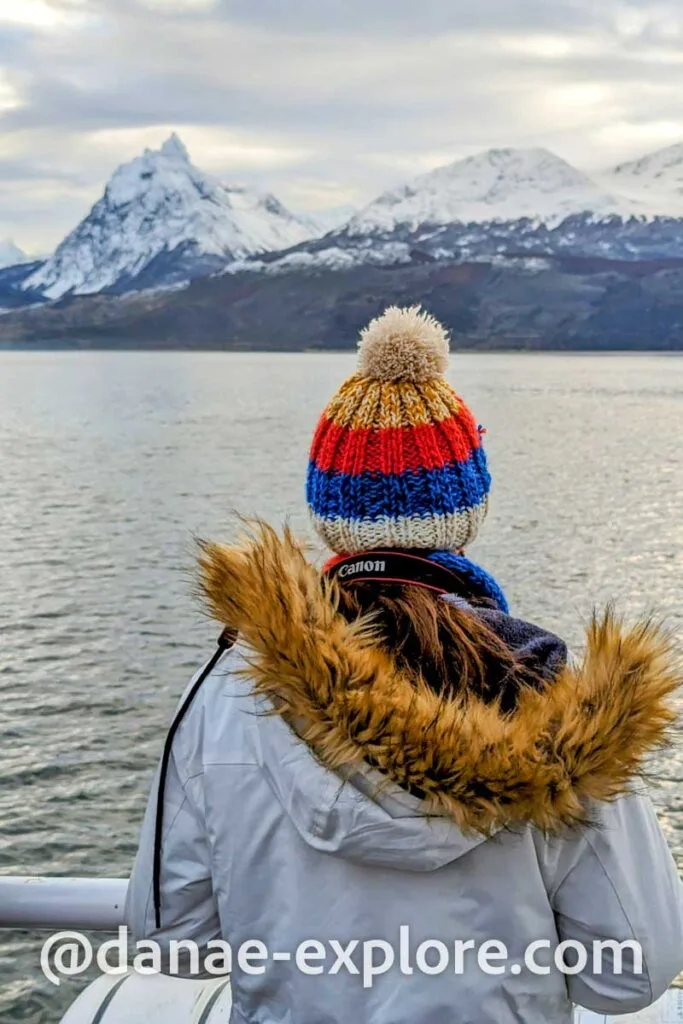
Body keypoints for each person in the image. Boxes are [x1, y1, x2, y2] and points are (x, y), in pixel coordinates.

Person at [126, 306, 683, 1024]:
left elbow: (174, 944)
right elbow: (629, 976)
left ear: (327, 510)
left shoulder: (229, 690)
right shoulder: (559, 708)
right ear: (470, 505)